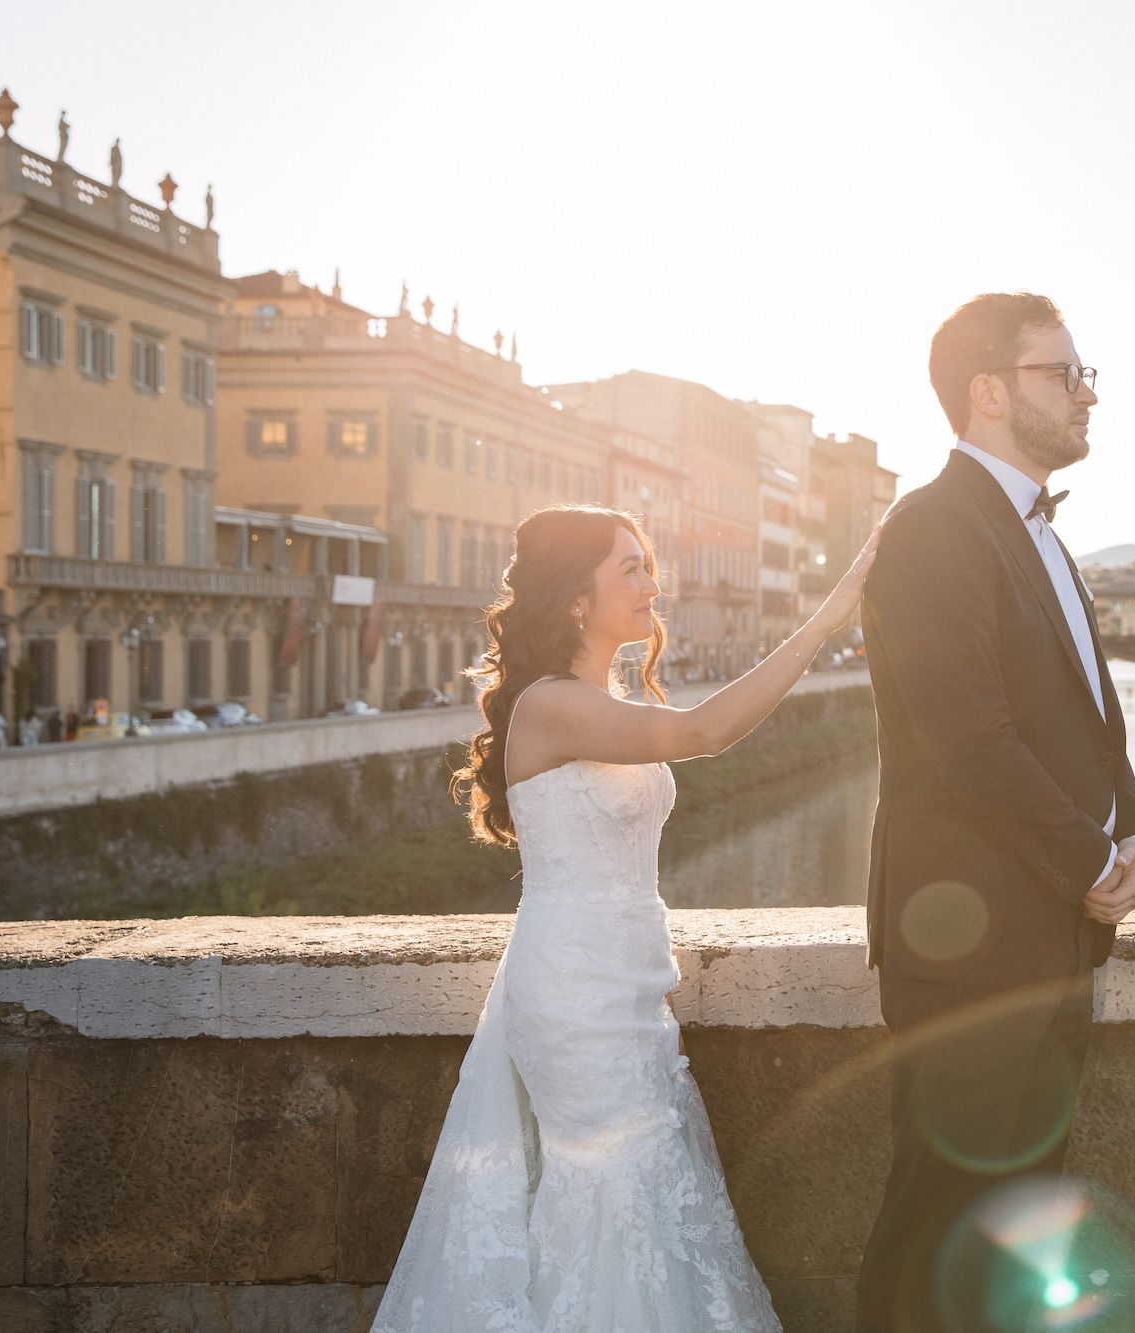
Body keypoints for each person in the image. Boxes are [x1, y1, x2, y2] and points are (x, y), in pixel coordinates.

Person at [372, 503, 880, 1333]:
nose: (654, 584)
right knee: (614, 1200)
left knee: (644, 1200)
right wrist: (832, 612)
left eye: (649, 564)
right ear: (577, 598)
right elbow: (707, 730)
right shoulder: (550, 705)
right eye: (630, 568)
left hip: (628, 991)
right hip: (575, 996)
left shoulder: (597, 697)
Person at [854, 292, 1135, 1333]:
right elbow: (966, 736)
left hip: (1049, 934)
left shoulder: (1036, 532)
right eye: (1061, 373)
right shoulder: (932, 528)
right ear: (989, 391)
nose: (1084, 394)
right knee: (936, 1221)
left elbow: (1087, 713)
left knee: (1017, 1227)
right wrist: (1087, 854)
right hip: (968, 944)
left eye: (1084, 374)